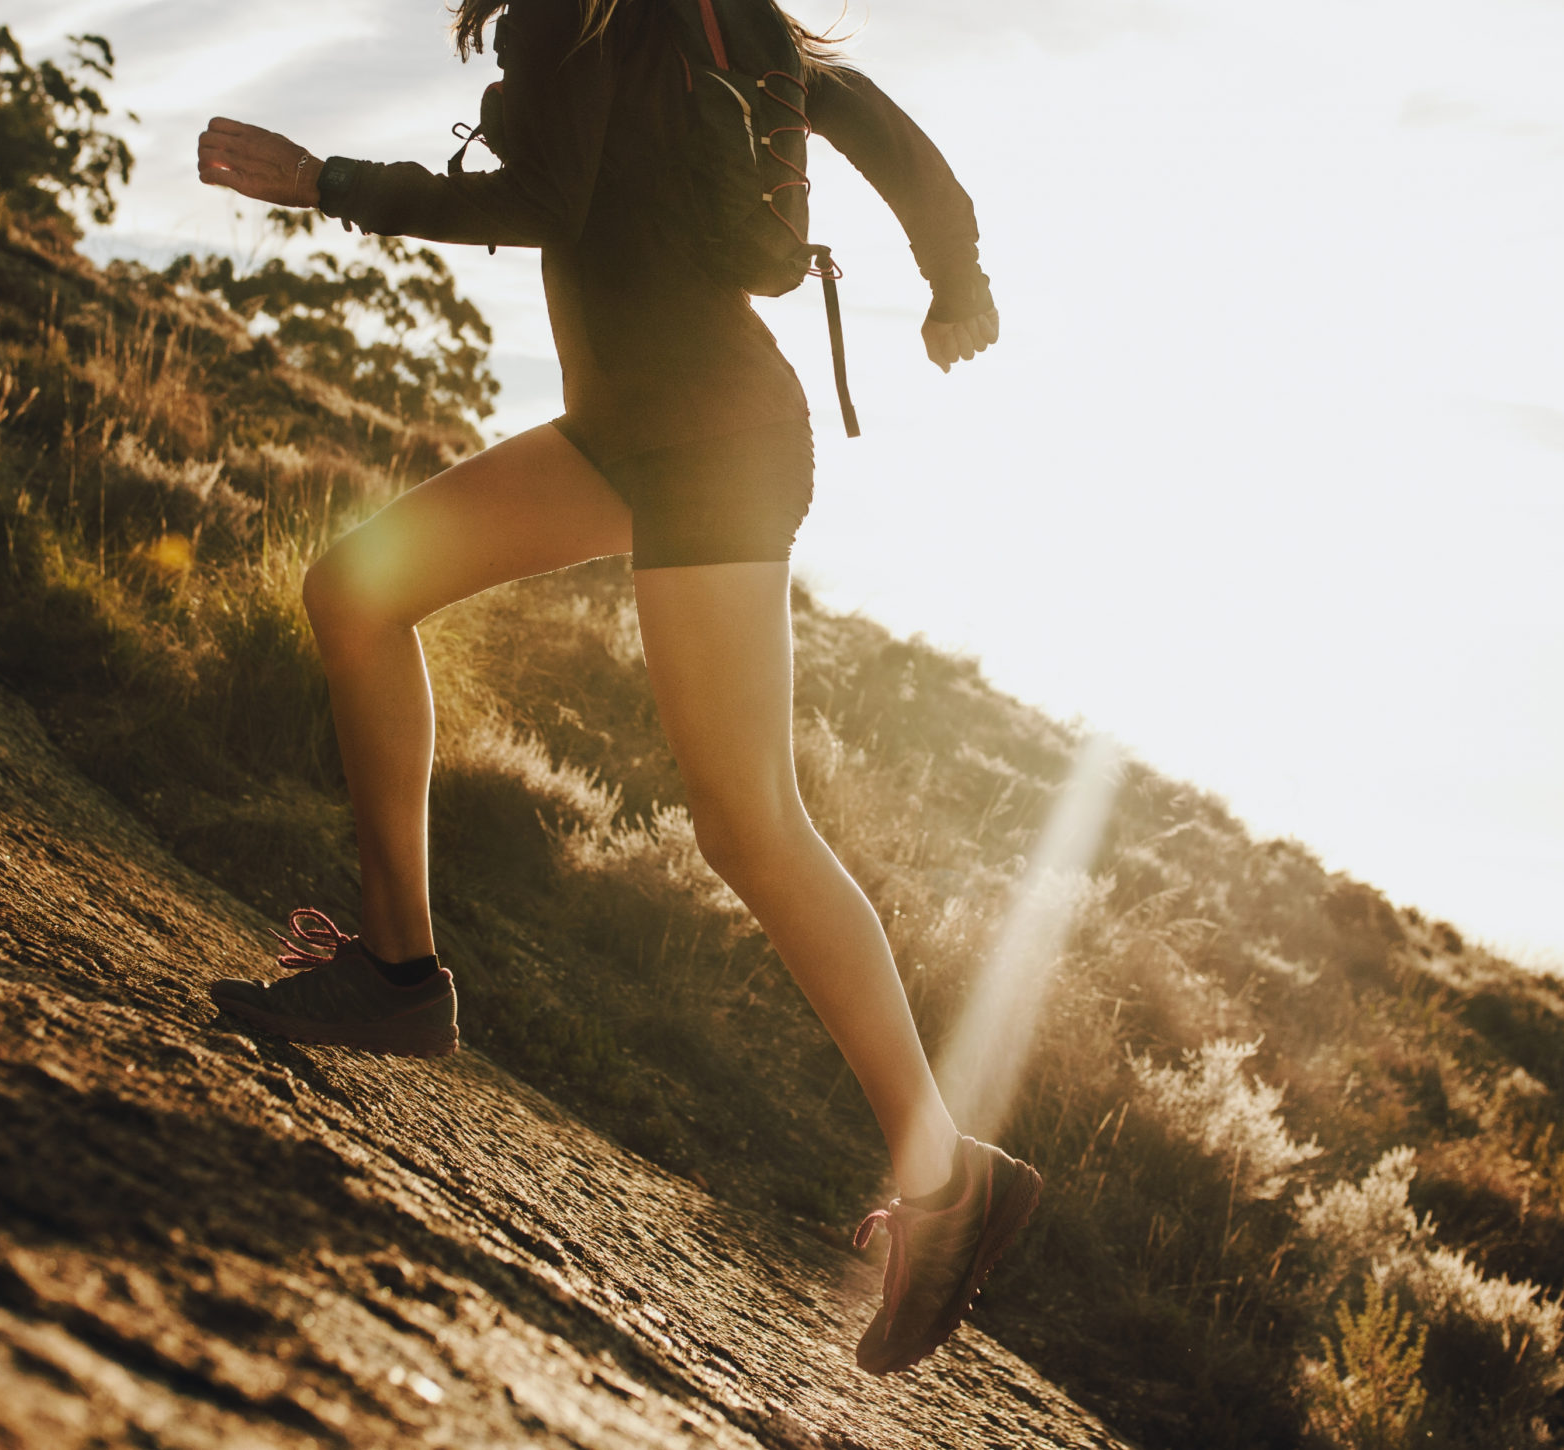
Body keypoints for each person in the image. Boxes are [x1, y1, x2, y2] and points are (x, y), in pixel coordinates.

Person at [196, 0, 1035, 1377]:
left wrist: (327, 183)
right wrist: (958, 281)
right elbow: (876, 118)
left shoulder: (582, 15)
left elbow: (543, 198)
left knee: (750, 821)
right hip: (641, 428)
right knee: (356, 590)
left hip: (702, 437)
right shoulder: (704, 19)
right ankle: (401, 976)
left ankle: (948, 1177)